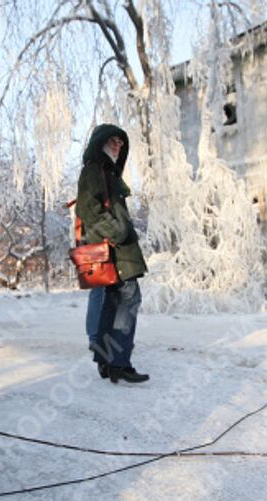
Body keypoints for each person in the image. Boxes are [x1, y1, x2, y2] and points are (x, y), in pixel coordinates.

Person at [75, 124, 149, 383]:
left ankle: (109, 362)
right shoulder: (94, 170)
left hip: (120, 251)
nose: (117, 146)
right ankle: (119, 363)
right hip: (115, 250)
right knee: (129, 300)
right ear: (100, 143)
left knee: (116, 303)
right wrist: (117, 232)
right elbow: (87, 209)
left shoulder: (108, 172)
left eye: (120, 143)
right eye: (112, 142)